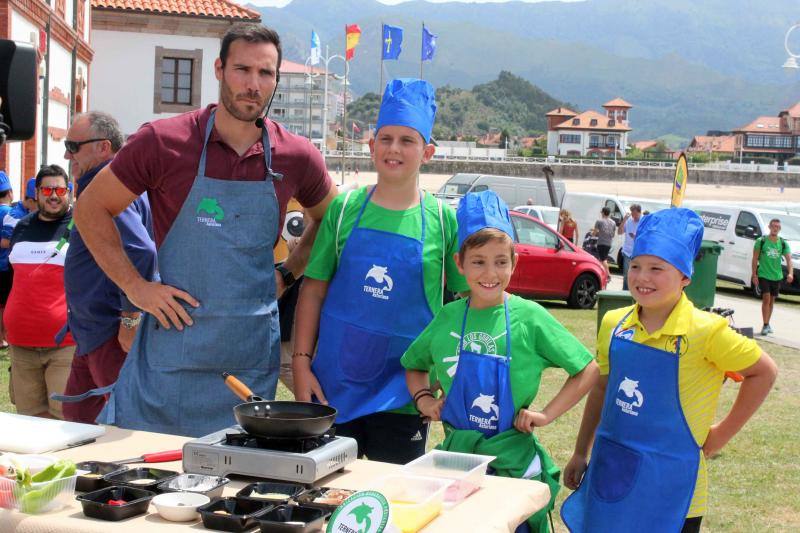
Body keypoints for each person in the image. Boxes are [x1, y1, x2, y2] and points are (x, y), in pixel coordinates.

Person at [70, 23, 337, 437]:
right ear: (218, 69)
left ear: (277, 80)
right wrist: (137, 287)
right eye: (242, 70)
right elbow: (90, 209)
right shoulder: (163, 142)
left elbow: (330, 219)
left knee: (235, 483)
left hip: (246, 360)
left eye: (265, 74)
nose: (253, 85)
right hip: (170, 362)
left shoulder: (297, 156)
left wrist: (288, 273)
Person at [561, 208, 778, 533]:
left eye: (657, 268)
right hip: (612, 475)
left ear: (685, 277)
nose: (642, 277)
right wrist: (581, 450)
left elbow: (764, 372)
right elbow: (603, 388)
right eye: (635, 266)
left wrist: (720, 435)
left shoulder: (707, 331)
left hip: (675, 490)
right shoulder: (614, 323)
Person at [292, 78, 468, 464]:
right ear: (371, 147)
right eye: (385, 138)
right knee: (326, 496)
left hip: (405, 391)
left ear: (428, 152)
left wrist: (444, 368)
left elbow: (466, 305)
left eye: (408, 140)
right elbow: (314, 289)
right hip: (334, 386)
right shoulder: (344, 210)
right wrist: (301, 362)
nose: (394, 148)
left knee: (395, 504)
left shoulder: (443, 220)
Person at [402, 190, 598, 533]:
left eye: (500, 261)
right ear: (460, 264)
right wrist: (424, 400)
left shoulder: (530, 317)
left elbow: (587, 369)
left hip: (512, 463)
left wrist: (546, 414)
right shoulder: (448, 317)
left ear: (514, 262)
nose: (489, 272)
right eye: (478, 261)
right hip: (458, 462)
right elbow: (414, 364)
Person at [52, 112, 158, 424]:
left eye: (73, 146)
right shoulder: (103, 183)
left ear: (103, 147)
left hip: (109, 332)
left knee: (123, 420)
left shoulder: (104, 187)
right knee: (76, 418)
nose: (66, 154)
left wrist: (129, 319)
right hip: (93, 331)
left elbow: (142, 251)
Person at [6, 165, 76, 419]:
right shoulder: (22, 227)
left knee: (64, 420)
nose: (54, 195)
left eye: (60, 189)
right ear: (37, 193)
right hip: (21, 342)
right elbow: (11, 278)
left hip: (65, 344)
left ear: (69, 191)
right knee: (29, 421)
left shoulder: (81, 226)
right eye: (47, 189)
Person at [752, 218, 793, 336]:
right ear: (769, 227)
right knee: (766, 298)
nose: (775, 228)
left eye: (777, 227)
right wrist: (754, 274)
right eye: (773, 226)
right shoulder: (761, 241)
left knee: (772, 301)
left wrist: (790, 273)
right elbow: (755, 259)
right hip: (763, 274)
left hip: (776, 276)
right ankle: (765, 325)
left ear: (779, 229)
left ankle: (767, 323)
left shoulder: (783, 243)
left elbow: (789, 259)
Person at [0, 172, 14, 348]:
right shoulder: (9, 213)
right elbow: (6, 242)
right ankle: (3, 337)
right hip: (4, 266)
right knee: (4, 304)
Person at [617, 203, 642, 290]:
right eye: (632, 213)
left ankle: (635, 292)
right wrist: (624, 219)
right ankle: (625, 293)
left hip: (638, 253)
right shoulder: (629, 221)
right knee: (626, 275)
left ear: (639, 212)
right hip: (627, 252)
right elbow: (619, 232)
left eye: (635, 214)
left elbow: (647, 237)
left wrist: (636, 237)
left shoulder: (643, 222)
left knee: (637, 276)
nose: (633, 216)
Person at [592, 207, 616, 278]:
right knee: (602, 259)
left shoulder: (599, 221)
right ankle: (601, 274)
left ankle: (608, 274)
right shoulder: (613, 222)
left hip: (601, 242)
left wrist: (594, 232)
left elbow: (594, 233)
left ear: (603, 212)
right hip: (608, 243)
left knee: (603, 259)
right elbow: (613, 235)